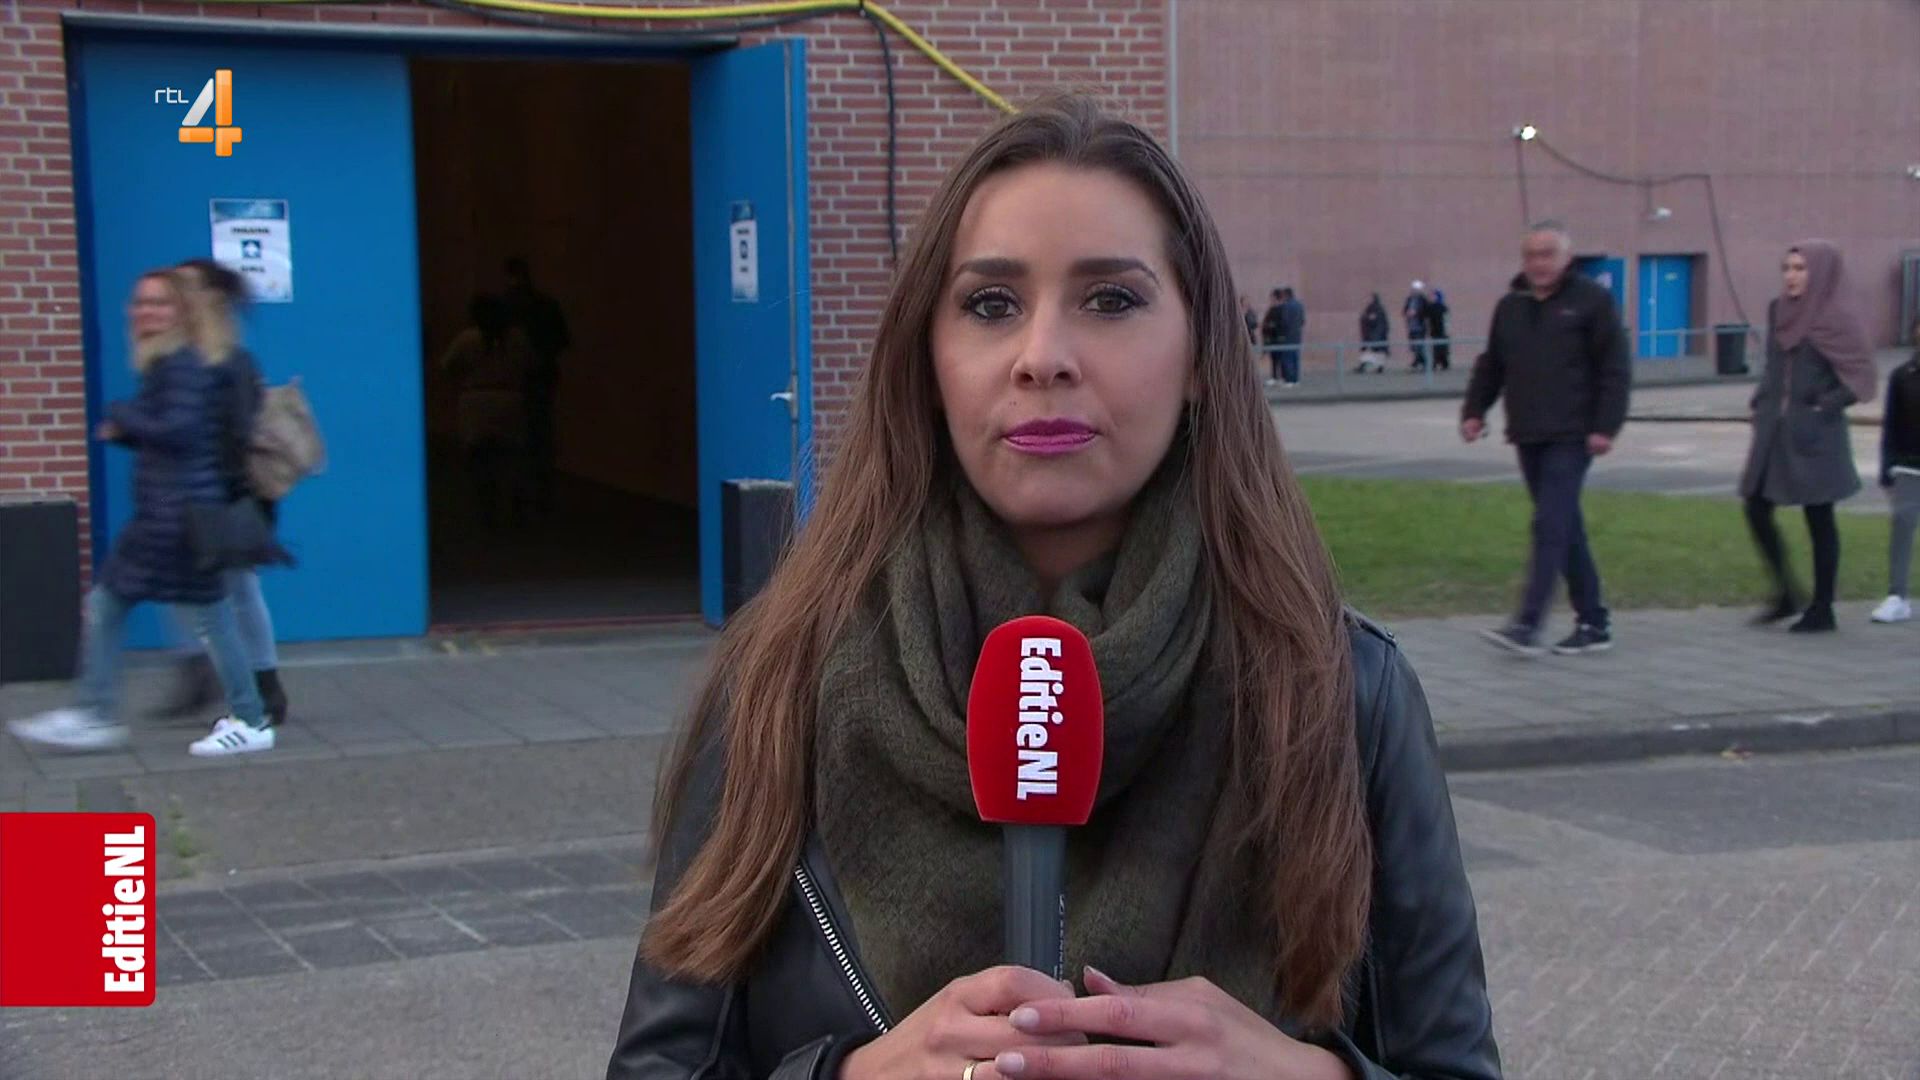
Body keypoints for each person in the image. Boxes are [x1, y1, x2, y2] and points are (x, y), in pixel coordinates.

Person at [608, 95, 1499, 1080]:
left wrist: (1313, 1076)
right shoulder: (776, 680)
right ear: (927, 358)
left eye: (1110, 300)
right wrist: (844, 1077)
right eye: (991, 305)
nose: (1042, 358)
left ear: (1200, 355)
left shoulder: (1344, 691)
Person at [8, 270, 274, 756]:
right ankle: (246, 717)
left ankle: (100, 714)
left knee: (119, 608)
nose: (145, 311)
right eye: (140, 302)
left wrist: (122, 415)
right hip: (177, 513)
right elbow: (178, 435)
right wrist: (130, 432)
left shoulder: (180, 363)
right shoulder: (174, 361)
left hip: (173, 518)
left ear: (182, 311)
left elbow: (180, 429)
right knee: (195, 618)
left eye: (159, 303)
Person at [1461, 221, 1630, 657]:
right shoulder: (1511, 307)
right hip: (1528, 433)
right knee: (1565, 527)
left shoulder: (1591, 301)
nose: (1538, 263)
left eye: (1547, 254)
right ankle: (1594, 622)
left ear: (1566, 258)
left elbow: (1615, 367)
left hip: (1574, 434)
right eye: (1531, 255)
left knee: (1549, 524)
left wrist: (1606, 426)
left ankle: (1527, 624)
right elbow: (1492, 365)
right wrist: (1474, 411)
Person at [150, 258, 293, 728]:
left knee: (240, 589)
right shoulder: (180, 357)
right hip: (195, 495)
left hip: (228, 495)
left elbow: (237, 433)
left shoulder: (231, 360)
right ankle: (200, 673)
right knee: (181, 585)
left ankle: (265, 686)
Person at [1738, 241, 1878, 633]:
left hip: (1817, 433)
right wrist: (1762, 402)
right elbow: (1774, 365)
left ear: (1821, 273)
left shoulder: (1837, 317)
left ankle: (1822, 608)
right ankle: (1786, 592)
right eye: (1787, 268)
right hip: (1775, 429)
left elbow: (1862, 376)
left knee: (1819, 517)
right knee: (1756, 506)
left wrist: (1824, 405)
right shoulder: (1778, 310)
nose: (1791, 276)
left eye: (1800, 268)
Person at [442, 294, 535, 529]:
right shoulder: (518, 338)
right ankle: (516, 509)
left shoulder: (467, 338)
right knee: (511, 459)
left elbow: (447, 367)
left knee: (479, 460)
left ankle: (487, 512)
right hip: (510, 399)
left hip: (476, 401)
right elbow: (532, 366)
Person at [502, 256, 570, 516]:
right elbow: (562, 340)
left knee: (514, 435)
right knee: (541, 432)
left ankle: (518, 495)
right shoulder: (547, 304)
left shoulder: (505, 306)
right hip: (542, 376)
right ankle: (542, 492)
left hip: (513, 379)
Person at [1873, 318, 1920, 624]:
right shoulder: (1902, 376)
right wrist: (1886, 469)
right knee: (1903, 524)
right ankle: (1897, 596)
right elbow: (1891, 426)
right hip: (1909, 465)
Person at [1259, 286, 1288, 387]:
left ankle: (1282, 377)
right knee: (1274, 359)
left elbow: (1281, 324)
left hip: (1279, 339)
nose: (1270, 299)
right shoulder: (1272, 309)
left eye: (1272, 297)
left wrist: (1270, 325)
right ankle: (1275, 377)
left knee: (1281, 359)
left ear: (1275, 297)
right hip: (1272, 339)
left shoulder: (1282, 309)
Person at [1278, 286, 1307, 386]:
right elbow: (1303, 321)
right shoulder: (1300, 305)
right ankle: (1296, 379)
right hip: (1297, 336)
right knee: (1296, 358)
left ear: (1286, 295)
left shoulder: (1286, 306)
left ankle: (1289, 380)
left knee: (1288, 359)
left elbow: (1284, 321)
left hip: (1288, 336)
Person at [1357, 292, 1390, 373]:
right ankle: (1378, 367)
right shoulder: (1378, 308)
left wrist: (1365, 317)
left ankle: (1366, 366)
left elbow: (1372, 320)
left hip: (1374, 334)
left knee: (1371, 350)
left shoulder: (1374, 308)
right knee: (1376, 351)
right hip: (1377, 334)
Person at [1403, 281, 1430, 371]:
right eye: (1413, 289)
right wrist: (1407, 312)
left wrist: (1416, 313)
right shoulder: (1409, 299)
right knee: (1414, 347)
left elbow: (1426, 312)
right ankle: (1418, 362)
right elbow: (1404, 310)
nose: (1414, 291)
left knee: (1419, 346)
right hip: (1411, 326)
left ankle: (1423, 363)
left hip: (1420, 326)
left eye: (1416, 289)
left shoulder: (1423, 300)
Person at [1425, 285, 1452, 372]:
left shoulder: (1442, 308)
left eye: (1433, 296)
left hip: (1441, 331)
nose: (1431, 298)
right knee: (1438, 348)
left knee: (1441, 348)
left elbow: (1446, 320)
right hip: (1435, 331)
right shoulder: (1431, 307)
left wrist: (1447, 330)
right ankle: (1441, 363)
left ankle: (1441, 363)